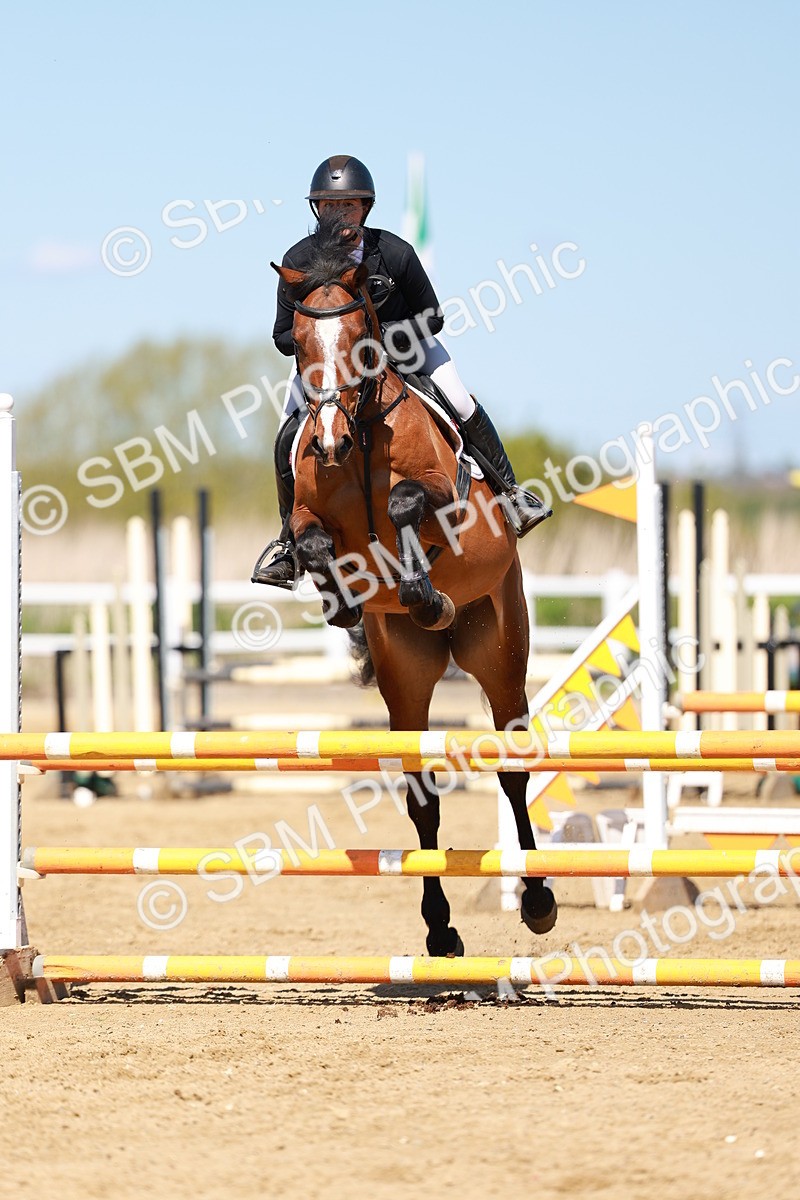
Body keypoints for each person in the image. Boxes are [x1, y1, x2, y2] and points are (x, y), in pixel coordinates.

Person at [253, 155, 550, 589]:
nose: (340, 215)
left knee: (460, 399)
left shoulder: (393, 252)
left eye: (349, 206)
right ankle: (288, 546)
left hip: (408, 354)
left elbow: (433, 316)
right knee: (286, 434)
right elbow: (282, 337)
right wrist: (321, 340)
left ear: (366, 208)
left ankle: (509, 494)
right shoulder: (297, 259)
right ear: (316, 209)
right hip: (328, 366)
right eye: (330, 206)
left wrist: (381, 338)